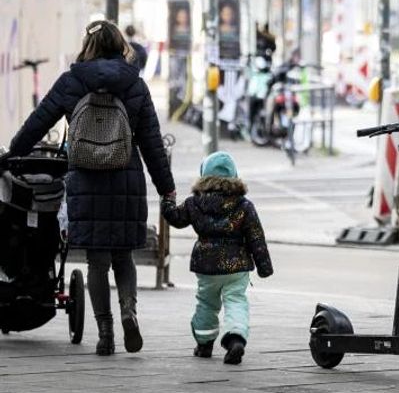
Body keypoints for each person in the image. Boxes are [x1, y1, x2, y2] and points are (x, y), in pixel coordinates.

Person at [5, 20, 176, 355]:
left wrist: (14, 152)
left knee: (97, 262)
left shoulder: (73, 80)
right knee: (123, 255)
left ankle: (106, 333)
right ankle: (129, 310)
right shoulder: (135, 85)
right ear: (120, 46)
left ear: (89, 46)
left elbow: (39, 120)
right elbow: (153, 144)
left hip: (86, 178)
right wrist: (166, 188)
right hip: (126, 176)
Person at [161, 152, 273, 365]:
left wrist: (167, 201)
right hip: (236, 266)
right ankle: (235, 339)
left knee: (206, 303)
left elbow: (175, 218)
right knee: (236, 301)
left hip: (207, 266)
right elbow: (256, 237)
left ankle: (204, 344)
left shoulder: (195, 203)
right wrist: (264, 267)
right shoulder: (244, 205)